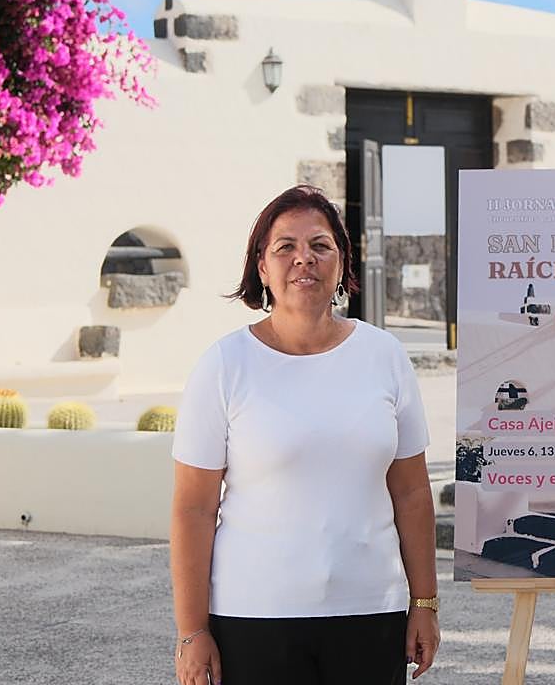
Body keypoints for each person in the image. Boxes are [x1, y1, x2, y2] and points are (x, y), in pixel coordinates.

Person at [170, 185, 440, 685]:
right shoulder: (225, 365)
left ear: (341, 261)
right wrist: (192, 631)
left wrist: (424, 602)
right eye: (286, 247)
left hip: (370, 613)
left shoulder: (385, 356)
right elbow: (193, 507)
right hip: (253, 618)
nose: (304, 260)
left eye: (320, 246)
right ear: (262, 266)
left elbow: (412, 491)